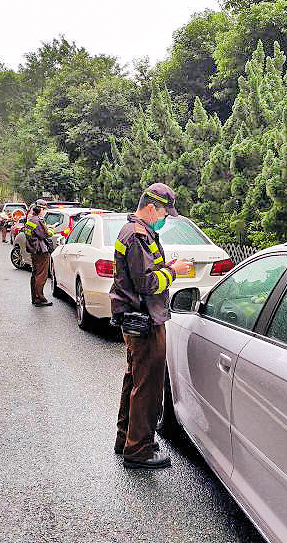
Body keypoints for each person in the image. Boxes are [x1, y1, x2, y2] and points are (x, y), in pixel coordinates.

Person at [110, 183, 194, 469]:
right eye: (164, 213)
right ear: (150, 207)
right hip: (145, 320)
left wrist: (166, 267)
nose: (165, 218)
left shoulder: (135, 231)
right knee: (148, 386)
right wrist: (173, 271)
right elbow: (146, 284)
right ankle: (139, 450)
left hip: (139, 318)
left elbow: (143, 273)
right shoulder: (137, 236)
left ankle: (127, 439)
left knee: (135, 380)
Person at [25, 200, 53, 307]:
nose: (45, 211)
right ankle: (39, 298)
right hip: (40, 251)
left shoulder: (30, 220)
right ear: (41, 209)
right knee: (41, 275)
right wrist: (51, 229)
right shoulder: (38, 221)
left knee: (35, 274)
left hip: (34, 250)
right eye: (44, 209)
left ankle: (35, 297)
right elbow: (44, 235)